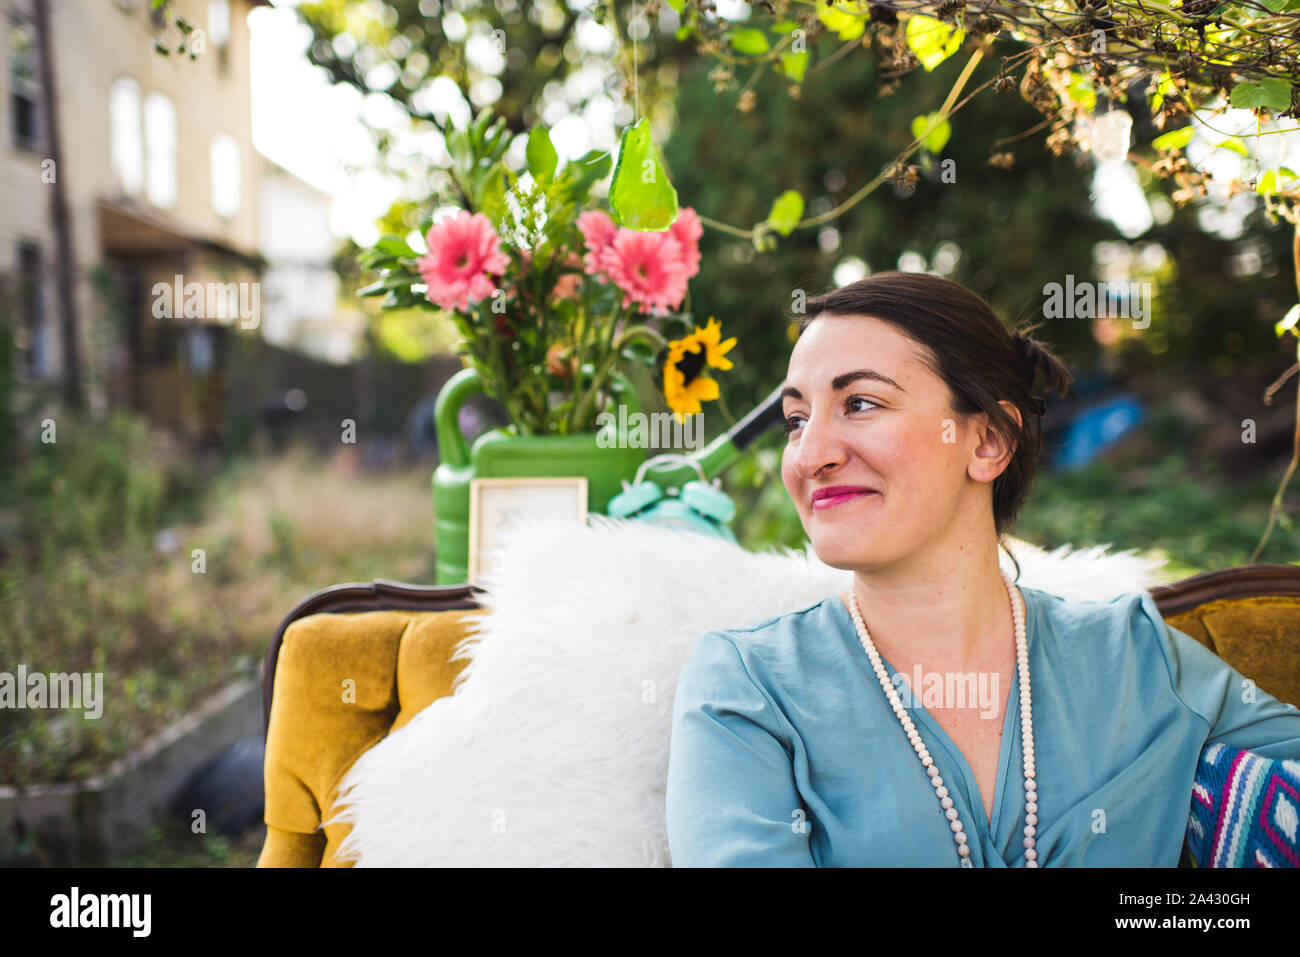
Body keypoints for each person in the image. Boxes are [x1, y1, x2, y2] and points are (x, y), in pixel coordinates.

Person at [665, 271, 1300, 867]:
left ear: (989, 441)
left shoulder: (1136, 657)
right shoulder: (749, 687)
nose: (811, 455)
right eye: (796, 420)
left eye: (859, 403)